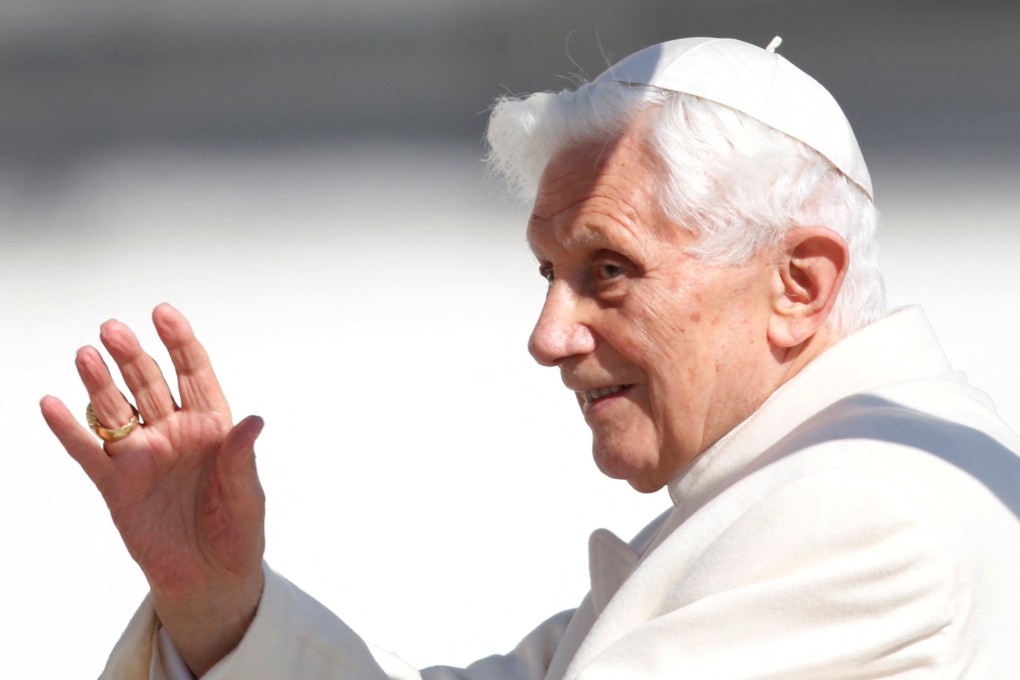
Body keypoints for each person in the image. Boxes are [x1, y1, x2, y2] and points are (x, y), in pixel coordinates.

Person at [42, 36, 1020, 679]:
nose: (548, 337)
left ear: (798, 284)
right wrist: (218, 604)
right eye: (548, 273)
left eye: (608, 270)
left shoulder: (860, 511)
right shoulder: (815, 481)